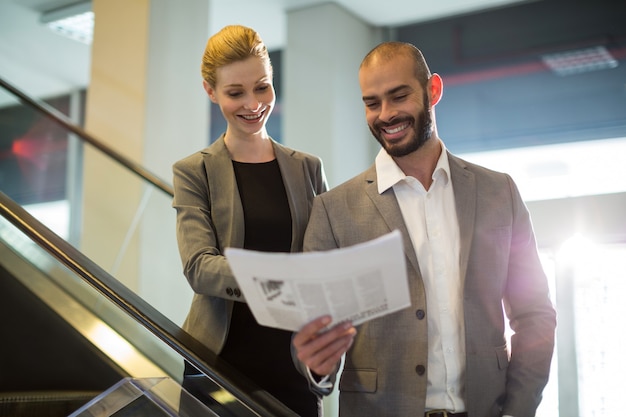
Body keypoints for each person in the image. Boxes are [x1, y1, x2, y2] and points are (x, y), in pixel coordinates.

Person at [292, 41, 557, 417]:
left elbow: (535, 314)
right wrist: (316, 365)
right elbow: (313, 332)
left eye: (399, 96)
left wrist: (518, 409)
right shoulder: (332, 211)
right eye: (372, 103)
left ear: (433, 90)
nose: (385, 114)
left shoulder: (500, 193)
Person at [172, 25, 327, 417]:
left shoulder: (308, 168)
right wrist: (281, 280)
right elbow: (199, 268)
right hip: (217, 363)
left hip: (293, 362)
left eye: (262, 87)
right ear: (210, 90)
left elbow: (326, 258)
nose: (253, 103)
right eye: (235, 92)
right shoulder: (194, 172)